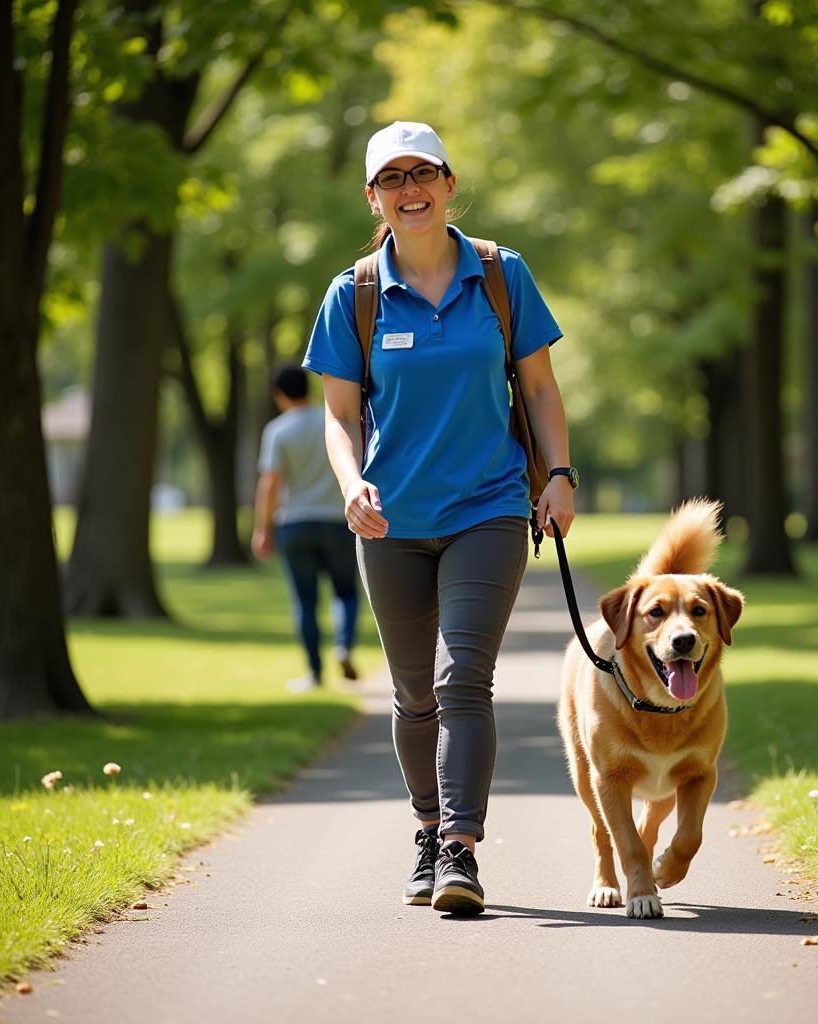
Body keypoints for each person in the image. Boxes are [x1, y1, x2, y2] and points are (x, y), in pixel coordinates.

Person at [302, 121, 577, 916]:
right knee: (413, 692)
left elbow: (542, 388)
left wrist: (557, 475)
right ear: (373, 198)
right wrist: (351, 482)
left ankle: (459, 848)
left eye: (423, 173)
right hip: (390, 519)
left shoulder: (500, 272)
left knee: (464, 679)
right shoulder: (352, 292)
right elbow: (339, 414)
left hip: (488, 507)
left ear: (450, 184)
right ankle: (425, 830)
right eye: (392, 179)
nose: (409, 189)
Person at [252, 365, 361, 692]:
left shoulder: (277, 430)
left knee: (305, 602)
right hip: (339, 520)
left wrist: (262, 528)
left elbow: (270, 483)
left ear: (280, 395)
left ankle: (314, 674)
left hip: (295, 523)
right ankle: (343, 645)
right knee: (345, 592)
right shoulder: (332, 423)